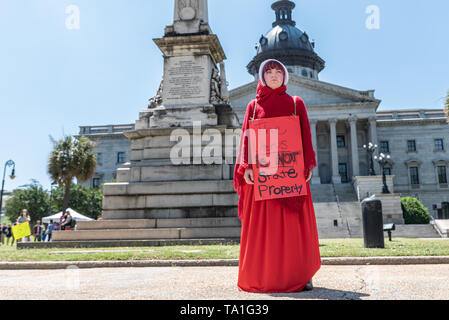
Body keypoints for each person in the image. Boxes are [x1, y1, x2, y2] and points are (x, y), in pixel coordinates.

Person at [233, 59, 321, 293]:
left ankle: (301, 275)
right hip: (262, 177)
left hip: (290, 175)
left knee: (295, 228)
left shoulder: (295, 103)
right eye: (269, 71)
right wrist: (247, 166)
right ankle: (262, 274)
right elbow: (247, 138)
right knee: (263, 230)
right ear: (261, 76)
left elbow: (304, 136)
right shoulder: (253, 106)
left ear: (285, 76)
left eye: (278, 71)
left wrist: (308, 164)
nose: (274, 75)